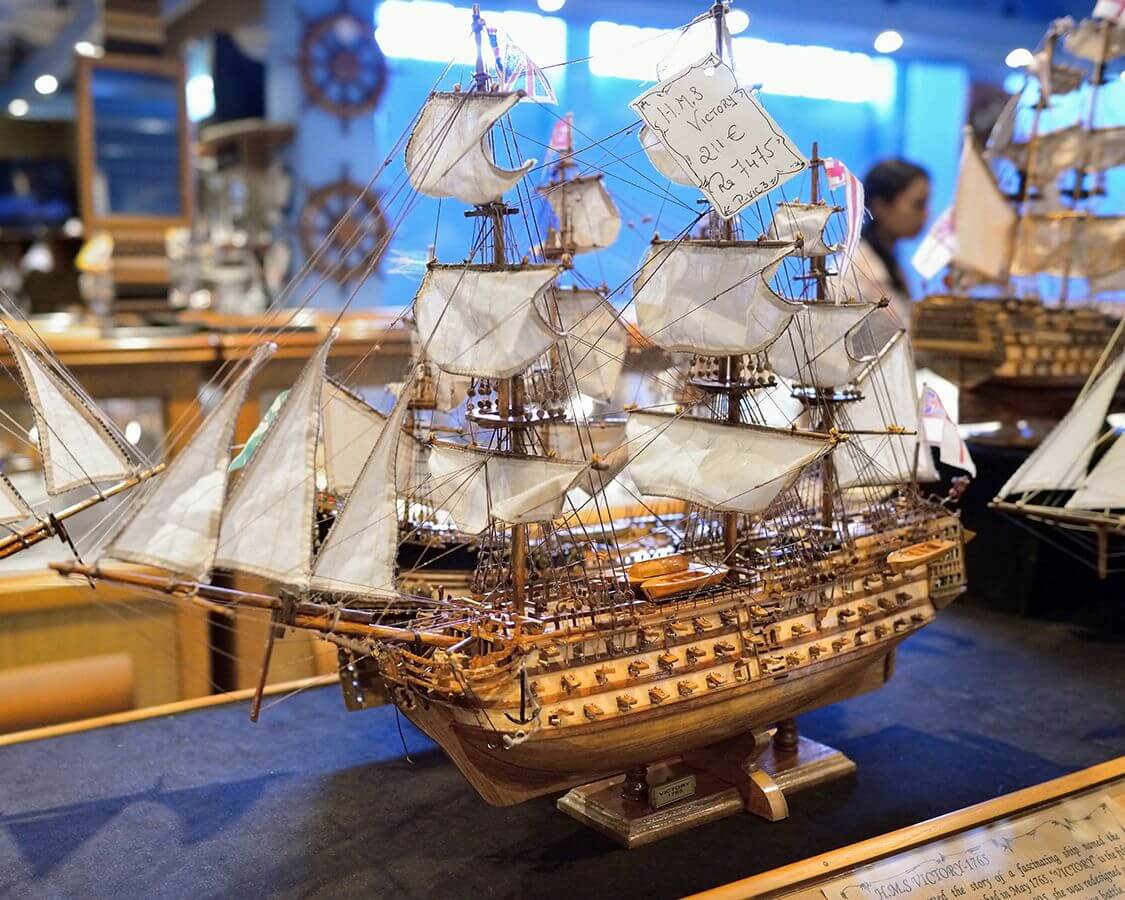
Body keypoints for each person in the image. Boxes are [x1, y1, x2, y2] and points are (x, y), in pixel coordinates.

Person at [853, 159, 931, 335]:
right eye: (918, 204)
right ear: (881, 206)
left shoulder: (888, 262)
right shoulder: (860, 271)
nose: (926, 214)